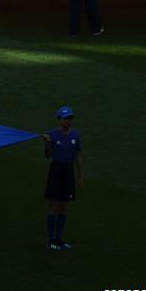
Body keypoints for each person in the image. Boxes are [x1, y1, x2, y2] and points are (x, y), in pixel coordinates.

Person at [40, 107, 82, 251]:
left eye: (70, 118)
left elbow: (77, 156)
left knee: (64, 207)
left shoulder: (75, 135)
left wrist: (80, 175)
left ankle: (59, 239)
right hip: (56, 170)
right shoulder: (52, 134)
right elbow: (47, 155)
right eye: (65, 118)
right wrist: (47, 143)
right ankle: (51, 240)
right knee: (54, 206)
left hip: (68, 171)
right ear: (59, 119)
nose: (68, 121)